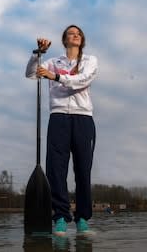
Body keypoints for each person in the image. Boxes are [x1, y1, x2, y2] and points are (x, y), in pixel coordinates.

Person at [25, 25, 98, 236]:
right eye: (70, 33)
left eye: (78, 33)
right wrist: (38, 54)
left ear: (81, 39)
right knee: (56, 170)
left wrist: (55, 77)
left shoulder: (90, 61)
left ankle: (82, 218)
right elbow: (31, 74)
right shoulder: (52, 62)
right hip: (58, 118)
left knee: (83, 170)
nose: (74, 35)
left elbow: (82, 80)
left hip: (83, 118)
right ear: (64, 40)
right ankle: (60, 218)